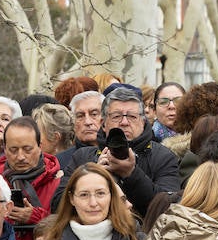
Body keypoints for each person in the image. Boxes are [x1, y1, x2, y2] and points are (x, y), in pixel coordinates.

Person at [62, 85, 180, 219]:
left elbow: (169, 209)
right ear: (104, 123)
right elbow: (58, 205)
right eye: (116, 116)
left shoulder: (163, 157)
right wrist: (95, 175)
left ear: (142, 121)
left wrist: (131, 174)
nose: (124, 122)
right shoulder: (82, 157)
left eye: (132, 116)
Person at [0, 117, 63, 240]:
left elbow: (69, 226)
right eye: (13, 150)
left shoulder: (58, 182)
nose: (20, 157)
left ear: (40, 147)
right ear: (4, 149)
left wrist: (36, 217)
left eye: (27, 149)